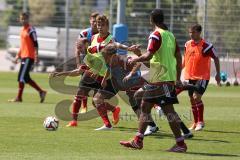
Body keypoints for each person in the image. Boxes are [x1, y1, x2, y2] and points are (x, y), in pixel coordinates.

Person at [119, 9, 187, 152]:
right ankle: (179, 143)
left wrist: (134, 58)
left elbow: (149, 55)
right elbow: (179, 57)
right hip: (166, 78)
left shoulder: (156, 35)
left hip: (158, 78)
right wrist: (177, 78)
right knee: (158, 108)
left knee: (148, 106)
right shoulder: (170, 35)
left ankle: (140, 141)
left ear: (151, 20)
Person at [183, 24, 220, 131]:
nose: (191, 34)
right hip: (190, 76)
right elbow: (185, 59)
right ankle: (195, 122)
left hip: (202, 76)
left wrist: (217, 73)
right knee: (191, 99)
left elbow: (216, 58)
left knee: (196, 97)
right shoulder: (187, 44)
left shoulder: (207, 46)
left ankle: (201, 122)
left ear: (199, 32)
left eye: (193, 32)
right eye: (190, 32)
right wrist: (177, 70)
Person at [8, 12, 46, 103]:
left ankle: (19, 97)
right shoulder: (22, 30)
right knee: (25, 78)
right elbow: (22, 46)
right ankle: (41, 92)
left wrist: (36, 55)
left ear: (28, 19)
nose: (23, 20)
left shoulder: (31, 30)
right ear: (20, 19)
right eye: (22, 19)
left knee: (22, 77)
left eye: (25, 19)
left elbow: (35, 43)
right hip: (24, 56)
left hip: (30, 56)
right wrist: (18, 56)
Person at [70, 12, 99, 117]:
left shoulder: (103, 34)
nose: (95, 24)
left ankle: (112, 110)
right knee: (82, 86)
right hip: (86, 62)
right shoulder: (84, 33)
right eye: (93, 21)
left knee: (96, 95)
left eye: (97, 21)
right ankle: (84, 107)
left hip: (99, 66)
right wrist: (78, 64)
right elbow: (77, 49)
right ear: (90, 21)